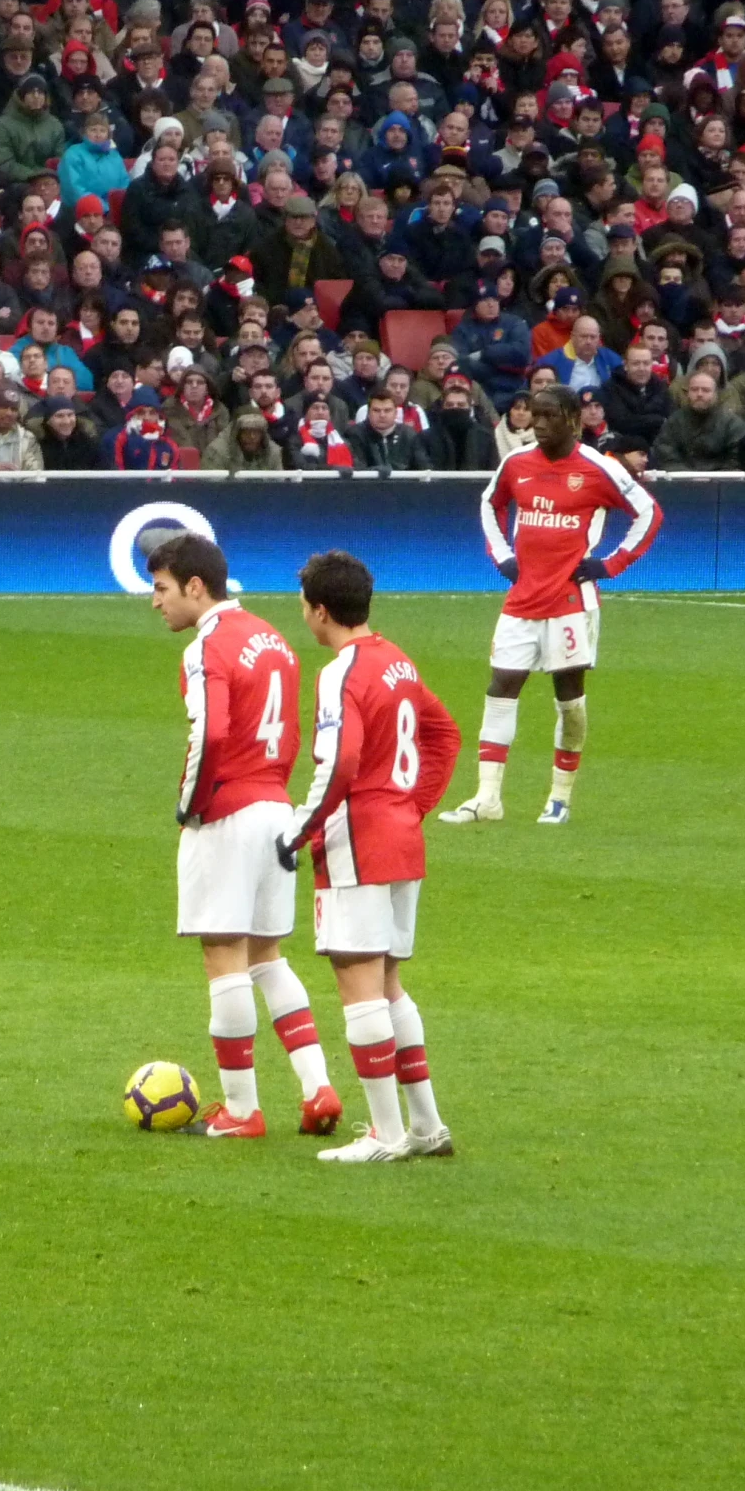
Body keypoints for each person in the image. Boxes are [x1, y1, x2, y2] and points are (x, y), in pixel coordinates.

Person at [147, 531, 340, 1141]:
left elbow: (212, 733)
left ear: (195, 586)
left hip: (227, 813)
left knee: (223, 957)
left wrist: (189, 807)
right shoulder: (273, 637)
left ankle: (240, 1110)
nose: (156, 602)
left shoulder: (209, 646)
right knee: (267, 956)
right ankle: (318, 1089)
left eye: (161, 589)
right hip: (275, 808)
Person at [276, 549, 461, 1164]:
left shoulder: (342, 673)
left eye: (304, 605)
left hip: (358, 841)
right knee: (389, 985)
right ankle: (427, 1127)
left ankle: (385, 1134)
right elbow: (444, 733)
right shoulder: (397, 661)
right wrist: (413, 806)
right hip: (402, 840)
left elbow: (341, 762)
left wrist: (299, 832)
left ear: (319, 610)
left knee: (359, 984)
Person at [443, 385, 663, 827]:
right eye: (532, 415)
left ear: (572, 418)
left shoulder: (600, 468)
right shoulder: (516, 463)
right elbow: (490, 504)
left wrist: (612, 563)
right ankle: (488, 797)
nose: (537, 425)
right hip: (522, 598)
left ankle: (559, 798)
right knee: (500, 687)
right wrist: (503, 555)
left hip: (571, 603)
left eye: (547, 417)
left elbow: (649, 513)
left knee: (569, 700)